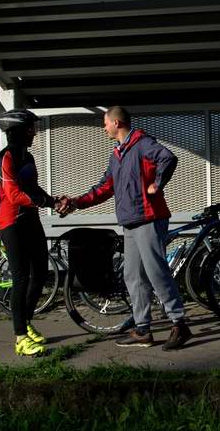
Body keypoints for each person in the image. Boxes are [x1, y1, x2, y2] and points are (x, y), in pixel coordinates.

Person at [59, 106, 191, 351]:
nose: (104, 127)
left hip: (149, 219)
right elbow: (104, 187)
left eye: (105, 123)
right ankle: (143, 330)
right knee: (133, 276)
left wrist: (157, 184)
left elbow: (168, 158)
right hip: (131, 222)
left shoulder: (142, 144)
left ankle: (179, 324)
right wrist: (77, 202)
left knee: (156, 273)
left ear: (117, 122)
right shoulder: (117, 154)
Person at [0, 109, 62, 357]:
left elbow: (33, 188)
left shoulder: (28, 157)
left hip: (31, 221)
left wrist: (53, 200)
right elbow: (13, 195)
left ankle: (26, 322)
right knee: (21, 278)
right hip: (12, 223)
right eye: (30, 128)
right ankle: (20, 338)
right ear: (17, 131)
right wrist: (48, 203)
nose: (34, 132)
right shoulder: (5, 159)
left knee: (41, 274)